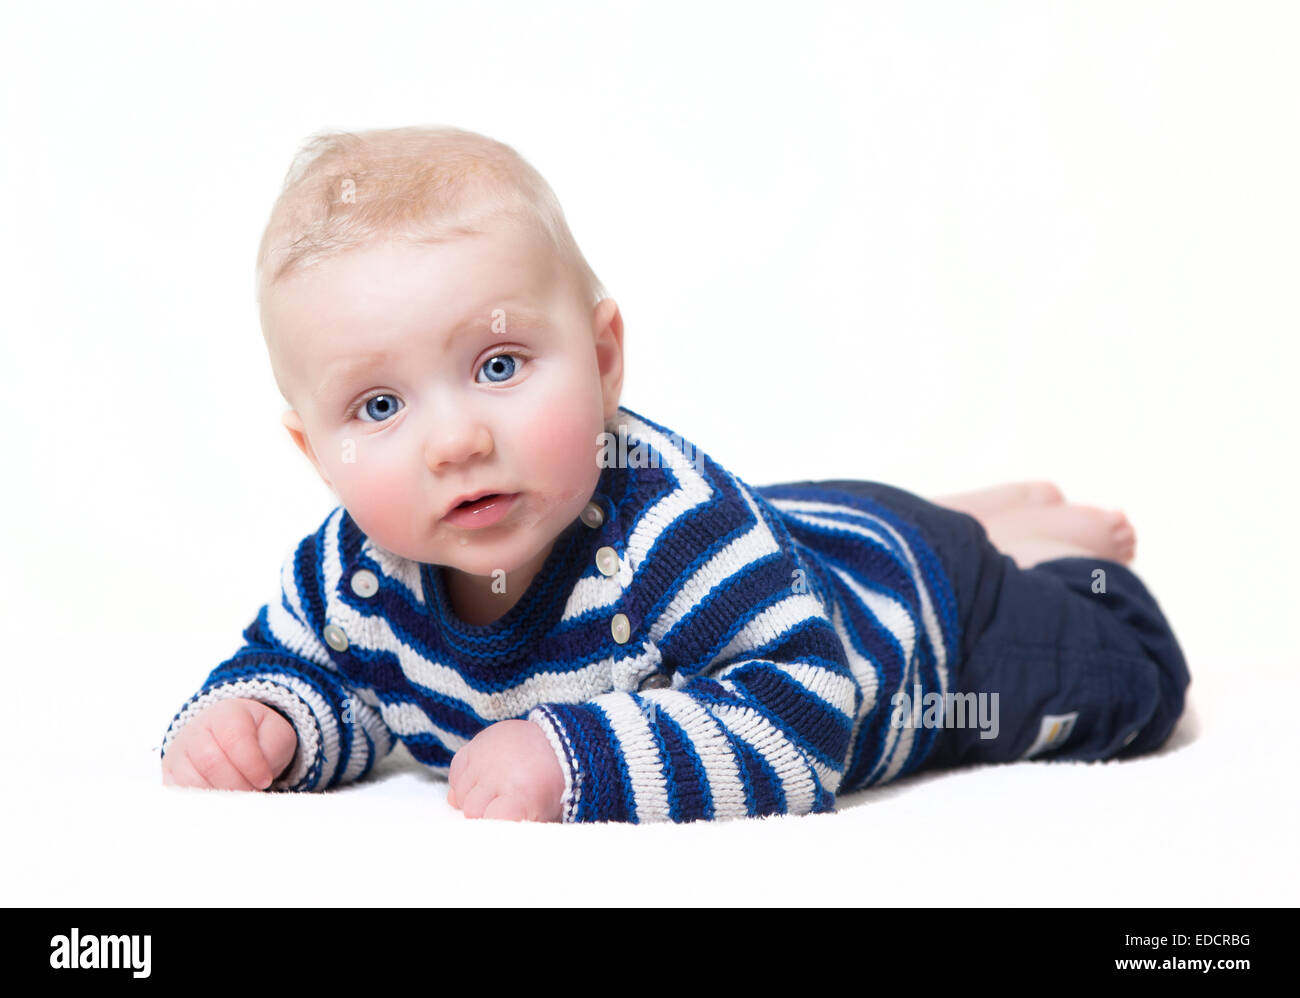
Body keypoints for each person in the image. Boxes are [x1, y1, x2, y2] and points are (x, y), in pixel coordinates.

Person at [159, 126, 1190, 823]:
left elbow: (804, 714)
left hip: (926, 614)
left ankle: (1019, 555)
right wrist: (263, 722)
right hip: (793, 534)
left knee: (1126, 680)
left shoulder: (676, 525)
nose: (455, 441)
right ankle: (946, 510)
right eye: (378, 407)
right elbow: (331, 682)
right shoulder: (353, 572)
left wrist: (574, 758)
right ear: (315, 451)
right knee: (772, 542)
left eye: (499, 365)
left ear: (604, 357)